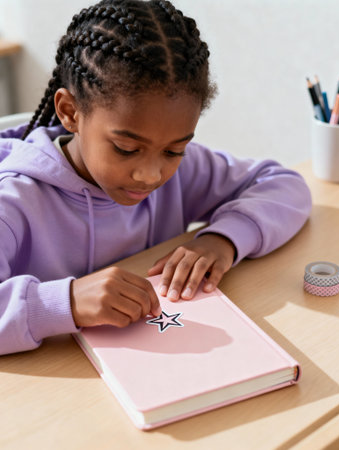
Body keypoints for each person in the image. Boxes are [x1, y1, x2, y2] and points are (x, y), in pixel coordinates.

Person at [0, 0, 311, 355]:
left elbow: (284, 184)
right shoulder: (13, 201)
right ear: (70, 112)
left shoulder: (183, 172)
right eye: (126, 149)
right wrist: (62, 303)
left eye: (173, 150)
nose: (150, 175)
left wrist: (223, 241)